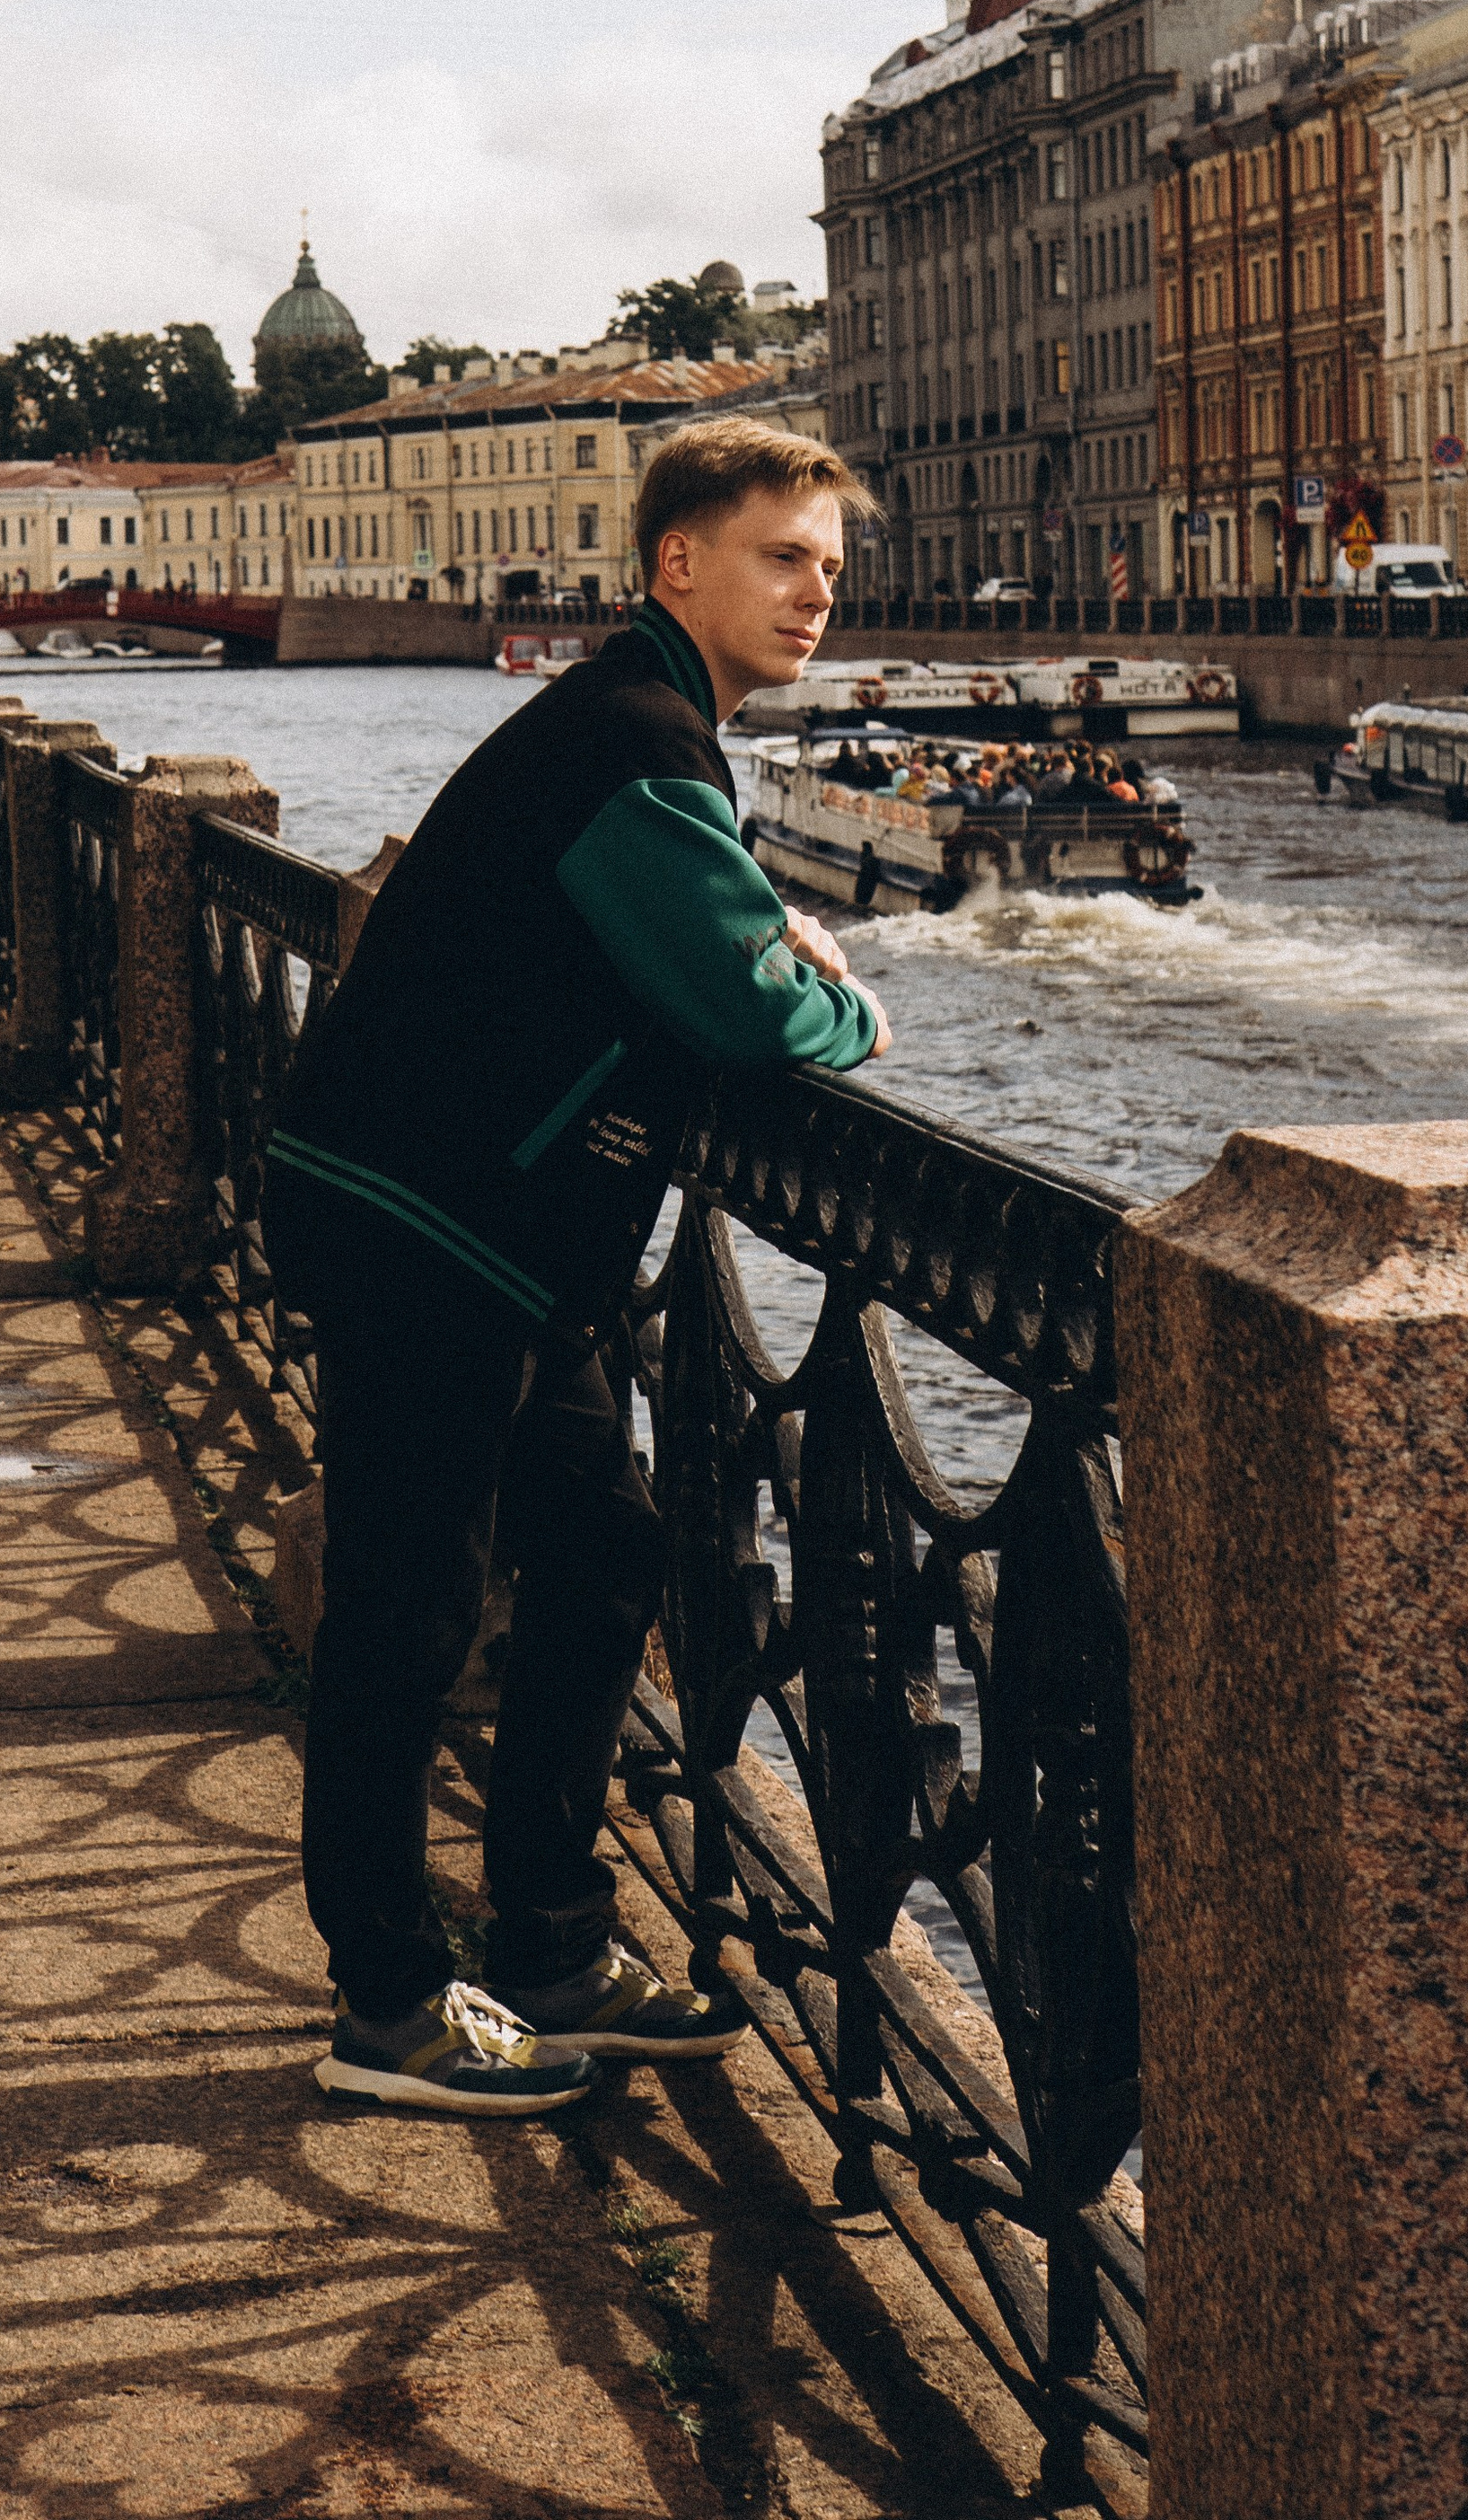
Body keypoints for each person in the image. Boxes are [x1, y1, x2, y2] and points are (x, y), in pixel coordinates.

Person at [264, 420, 892, 2118]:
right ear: (678, 561)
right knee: (408, 1604)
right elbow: (750, 1005)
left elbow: (686, 935)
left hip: (496, 1228)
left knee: (605, 1556)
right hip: (430, 1217)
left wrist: (754, 915)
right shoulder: (634, 738)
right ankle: (393, 2004)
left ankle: (547, 1941)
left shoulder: (647, 729)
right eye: (784, 556)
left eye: (833, 565)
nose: (818, 591)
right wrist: (841, 992)